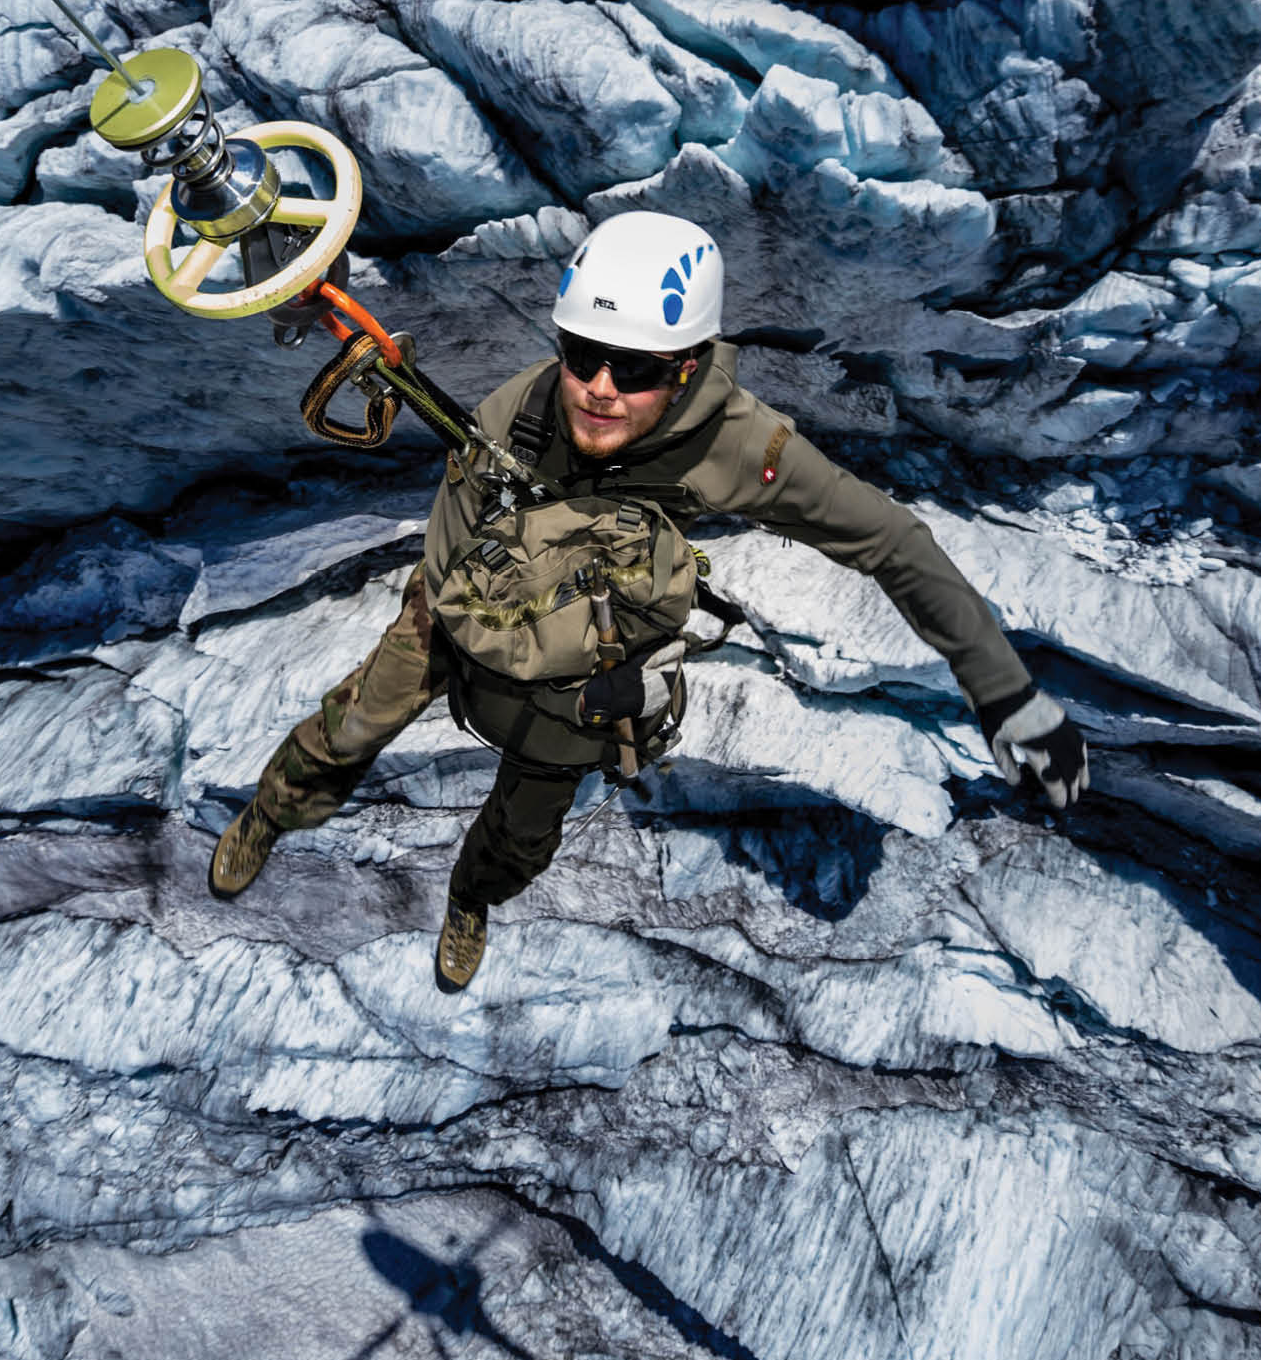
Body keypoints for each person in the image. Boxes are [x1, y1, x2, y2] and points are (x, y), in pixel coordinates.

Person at [209, 210, 1087, 992]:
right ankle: (272, 813)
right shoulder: (519, 411)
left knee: (524, 830)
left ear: (689, 366)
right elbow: (451, 558)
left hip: (592, 664)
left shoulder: (741, 446)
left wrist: (1005, 692)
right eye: (582, 356)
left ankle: (470, 900)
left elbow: (894, 544)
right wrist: (485, 636)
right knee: (349, 729)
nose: (599, 387)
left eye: (633, 369)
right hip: (459, 610)